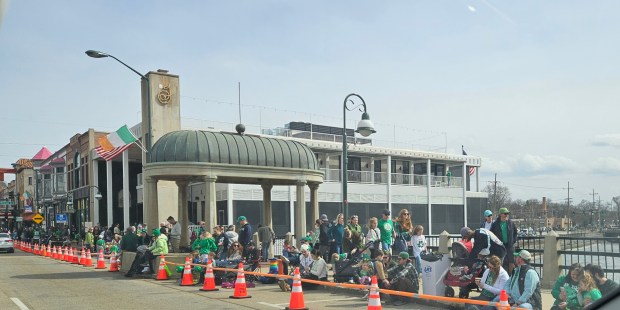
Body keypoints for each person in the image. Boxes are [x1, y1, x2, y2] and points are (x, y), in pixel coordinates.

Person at [490, 207, 518, 274]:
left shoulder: (511, 223)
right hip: (500, 247)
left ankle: (511, 278)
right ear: (500, 214)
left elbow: (515, 232)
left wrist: (513, 241)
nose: (507, 215)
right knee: (499, 263)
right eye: (505, 213)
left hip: (510, 246)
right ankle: (500, 277)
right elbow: (491, 235)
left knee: (511, 263)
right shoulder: (495, 224)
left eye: (507, 213)